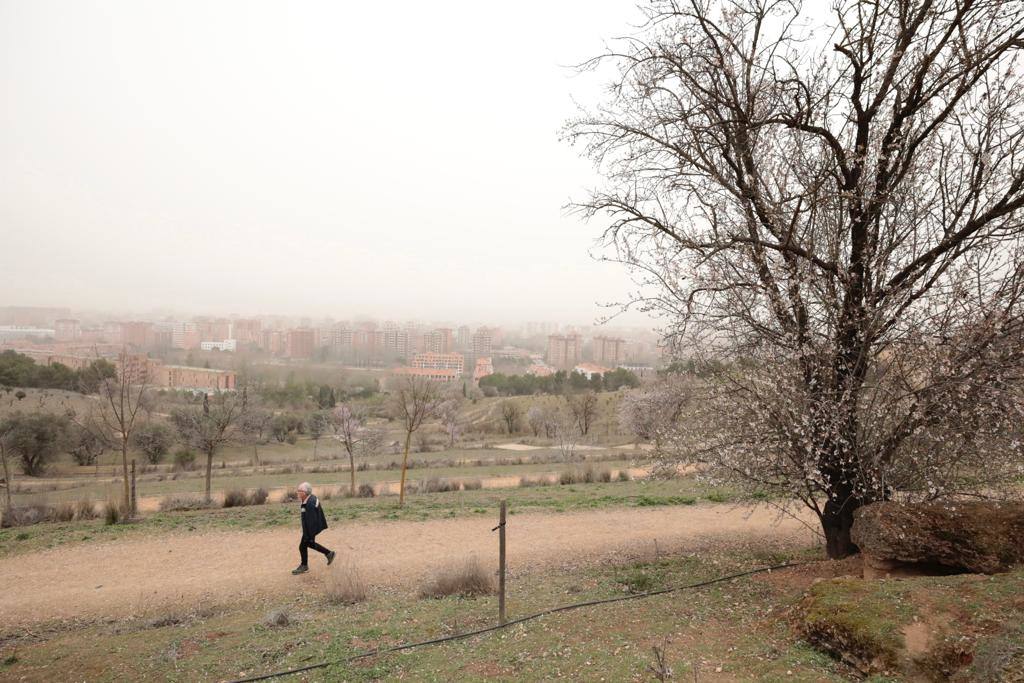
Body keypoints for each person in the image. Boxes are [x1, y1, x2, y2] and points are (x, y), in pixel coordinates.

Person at [291, 482, 335, 574]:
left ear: (305, 492)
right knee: (308, 544)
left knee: (303, 546)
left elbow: (311, 521)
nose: (297, 492)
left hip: (312, 527)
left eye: (299, 491)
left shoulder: (310, 503)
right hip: (311, 526)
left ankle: (304, 566)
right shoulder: (307, 499)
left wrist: (309, 535)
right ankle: (329, 553)